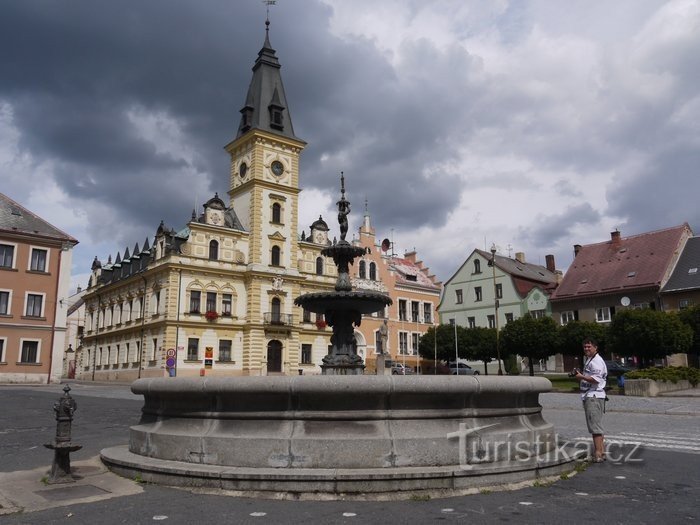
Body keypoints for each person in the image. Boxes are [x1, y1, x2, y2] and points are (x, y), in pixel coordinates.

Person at [573, 338, 608, 462]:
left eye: (589, 346)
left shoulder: (596, 361)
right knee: (596, 425)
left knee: (595, 426)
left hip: (593, 396)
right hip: (592, 395)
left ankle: (598, 454)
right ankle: (601, 452)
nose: (586, 349)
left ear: (595, 347)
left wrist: (581, 376)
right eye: (585, 347)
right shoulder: (591, 360)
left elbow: (596, 379)